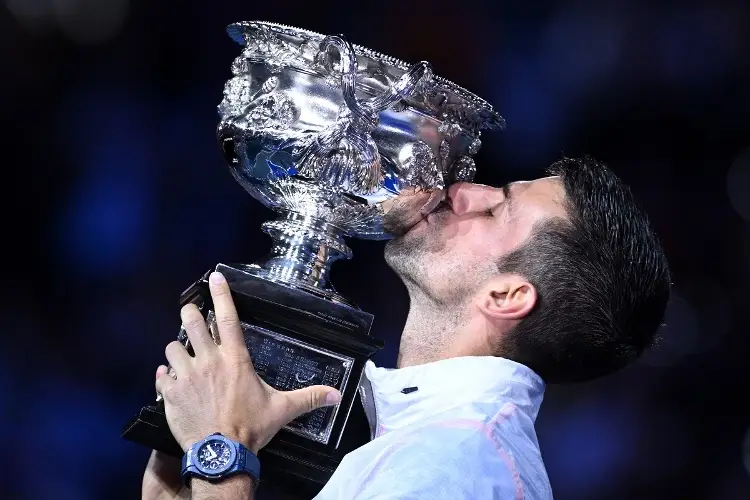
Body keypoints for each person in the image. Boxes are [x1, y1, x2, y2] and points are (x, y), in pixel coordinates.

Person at [141, 156, 671, 499]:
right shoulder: (419, 439)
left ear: (506, 296)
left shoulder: (456, 466)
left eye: (493, 211)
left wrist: (221, 452)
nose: (464, 190)